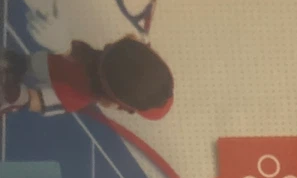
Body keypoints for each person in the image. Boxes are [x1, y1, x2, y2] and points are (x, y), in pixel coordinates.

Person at [1, 35, 173, 120]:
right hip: (67, 90)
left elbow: (73, 51)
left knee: (33, 64)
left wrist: (63, 43)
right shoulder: (80, 96)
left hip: (55, 62)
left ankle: (16, 65)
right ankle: (16, 96)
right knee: (35, 99)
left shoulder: (85, 53)